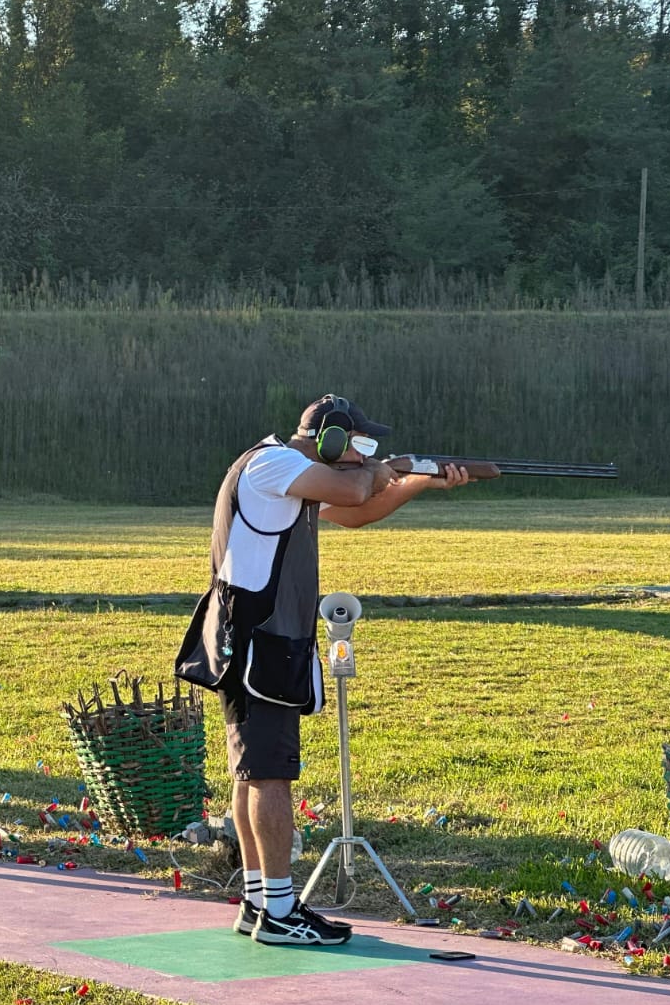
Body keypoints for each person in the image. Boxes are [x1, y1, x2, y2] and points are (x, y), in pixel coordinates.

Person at [177, 394, 468, 946]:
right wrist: (386, 470)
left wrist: (421, 481)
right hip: (261, 641)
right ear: (330, 437)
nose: (363, 456)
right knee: (269, 774)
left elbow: (358, 512)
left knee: (252, 770)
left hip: (258, 639)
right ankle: (280, 913)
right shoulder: (276, 464)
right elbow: (357, 489)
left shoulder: (288, 475)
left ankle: (261, 902)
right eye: (358, 445)